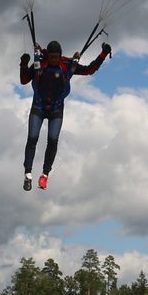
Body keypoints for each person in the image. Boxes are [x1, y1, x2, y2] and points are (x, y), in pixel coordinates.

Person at [19, 39, 111, 190]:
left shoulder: (68, 65)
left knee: (53, 140)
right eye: (51, 57)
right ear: (48, 55)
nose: (54, 60)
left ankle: (45, 175)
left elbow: (89, 70)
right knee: (32, 138)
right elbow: (24, 80)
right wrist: (23, 64)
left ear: (60, 56)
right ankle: (28, 174)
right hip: (39, 106)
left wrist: (104, 53)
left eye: (56, 57)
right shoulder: (39, 64)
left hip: (56, 109)